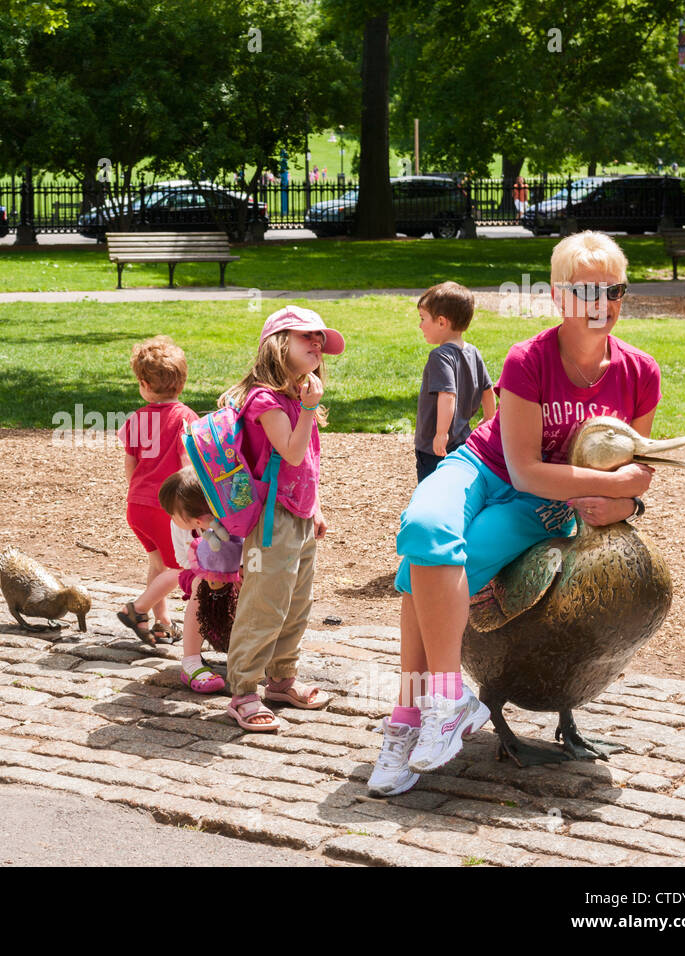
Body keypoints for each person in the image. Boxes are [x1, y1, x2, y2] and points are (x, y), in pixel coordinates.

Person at [368, 232, 661, 797]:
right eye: (584, 290)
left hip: (546, 507)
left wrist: (626, 496)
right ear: (557, 296)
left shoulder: (639, 373)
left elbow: (637, 468)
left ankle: (408, 719)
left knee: (420, 573)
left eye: (613, 290)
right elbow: (524, 468)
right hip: (483, 467)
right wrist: (615, 484)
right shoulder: (529, 359)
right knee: (424, 527)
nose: (600, 302)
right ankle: (448, 697)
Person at [222, 306, 345, 732]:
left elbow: (305, 464)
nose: (317, 345)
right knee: (265, 604)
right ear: (278, 344)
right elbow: (290, 452)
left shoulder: (295, 396)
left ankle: (280, 680)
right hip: (270, 520)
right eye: (306, 337)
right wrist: (310, 407)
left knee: (295, 603)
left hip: (298, 515)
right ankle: (243, 691)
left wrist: (315, 507)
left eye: (320, 341)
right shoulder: (264, 399)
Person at [115, 336, 199, 645]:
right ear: (181, 382)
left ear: (143, 384)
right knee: (184, 569)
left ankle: (163, 622)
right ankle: (137, 609)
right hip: (169, 509)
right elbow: (187, 465)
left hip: (137, 506)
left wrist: (139, 493)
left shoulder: (136, 420)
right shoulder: (185, 419)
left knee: (158, 564)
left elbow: (130, 466)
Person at [155, 468, 245, 694]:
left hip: (236, 574)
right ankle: (192, 661)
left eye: (173, 514)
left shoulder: (231, 522)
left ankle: (250, 652)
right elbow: (183, 561)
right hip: (199, 575)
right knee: (201, 587)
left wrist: (237, 571)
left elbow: (246, 548)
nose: (171, 519)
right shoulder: (179, 526)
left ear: (195, 518)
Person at [414, 282, 496, 482]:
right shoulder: (472, 352)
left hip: (434, 447)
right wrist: (489, 419)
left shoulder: (440, 356)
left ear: (442, 322)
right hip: (462, 441)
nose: (420, 325)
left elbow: (447, 395)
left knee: (431, 488)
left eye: (423, 319)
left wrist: (441, 433)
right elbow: (487, 389)